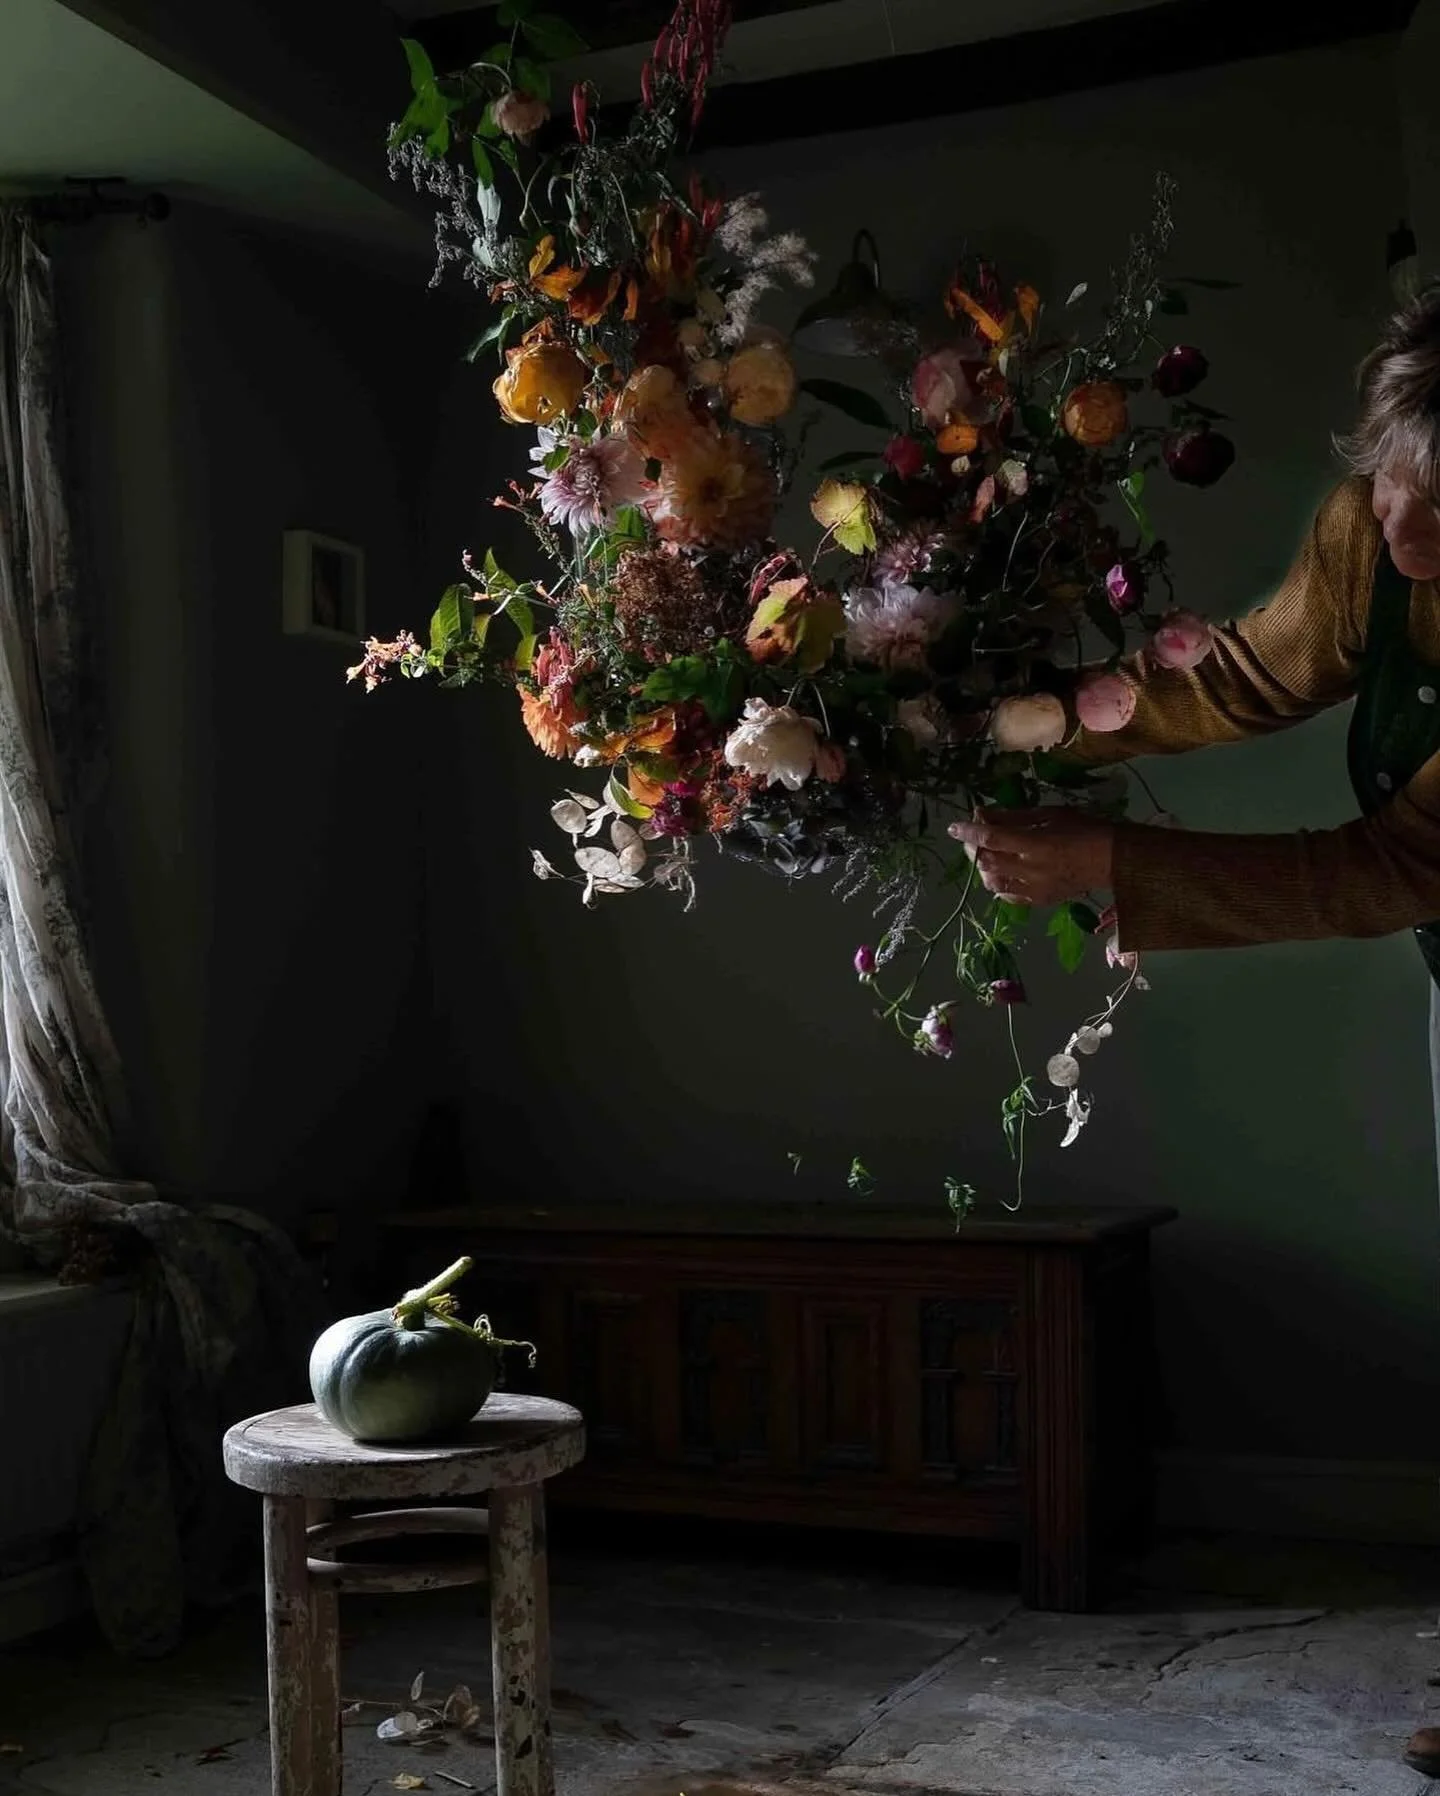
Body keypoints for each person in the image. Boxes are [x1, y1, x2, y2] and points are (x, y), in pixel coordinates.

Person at [953, 281, 1440, 1780]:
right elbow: (1244, 674)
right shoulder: (1375, 528)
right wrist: (1020, 710)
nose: (1418, 541)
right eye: (1410, 492)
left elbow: (1395, 863)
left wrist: (1115, 866)